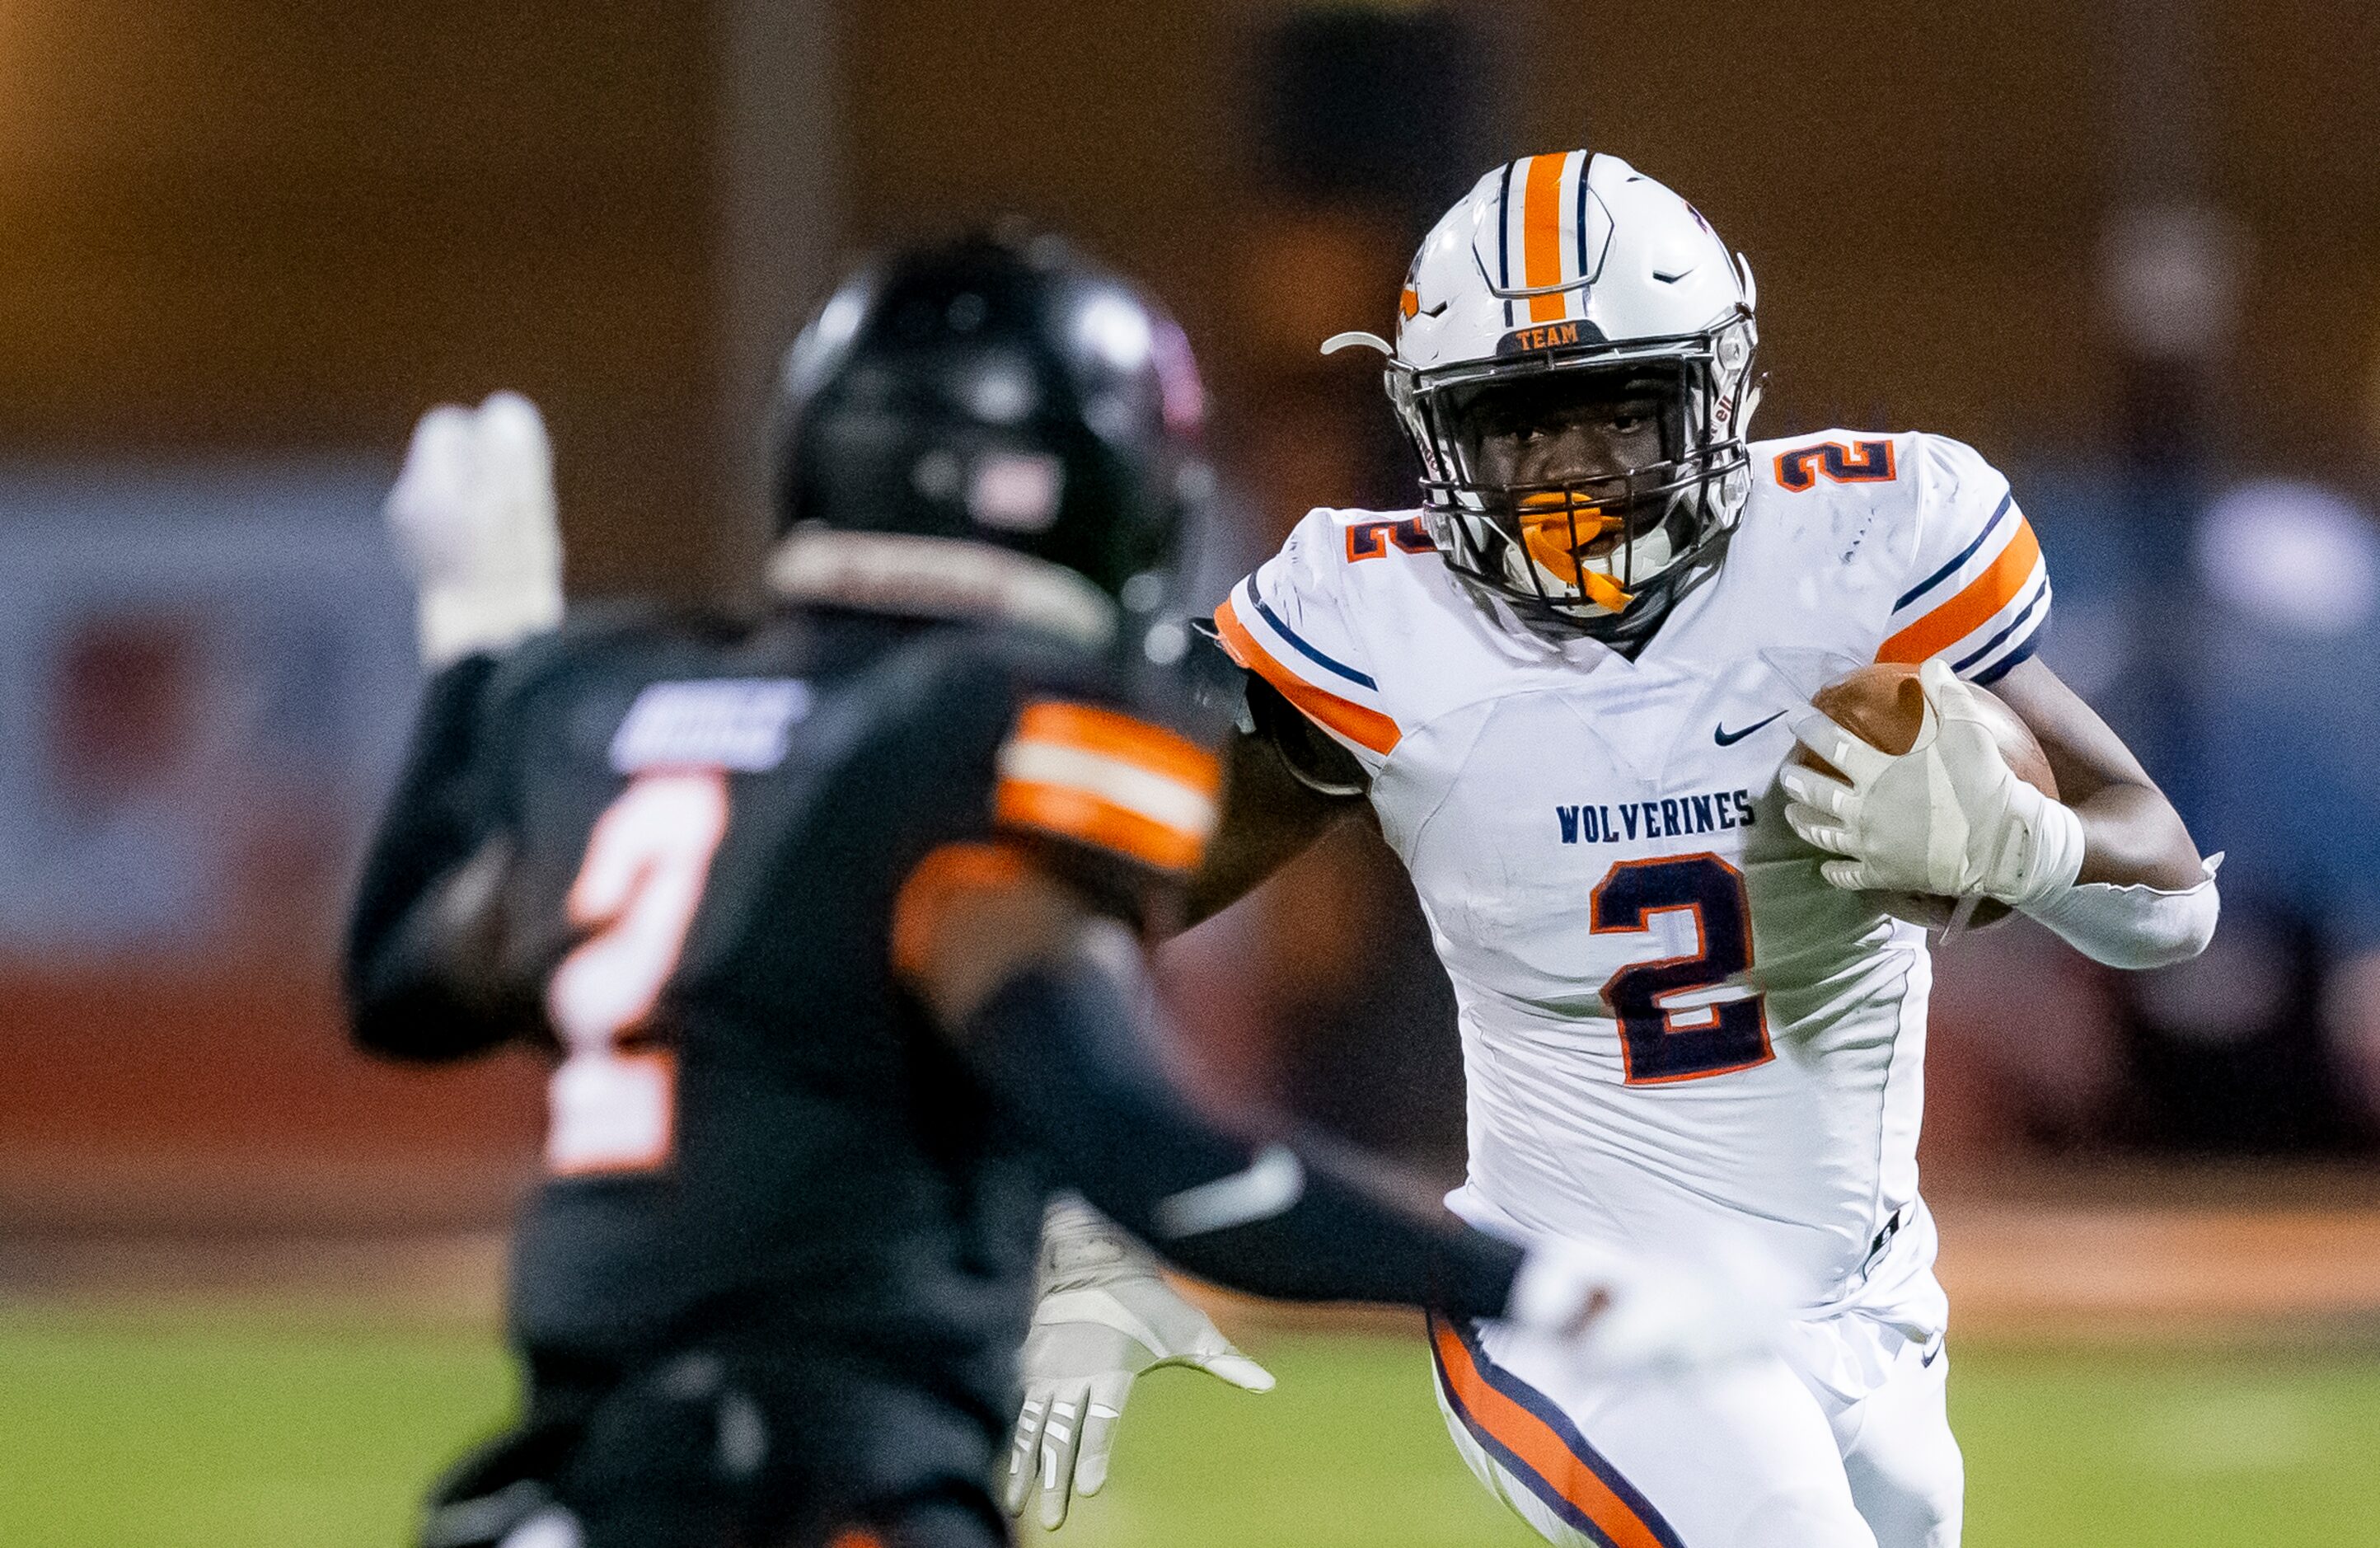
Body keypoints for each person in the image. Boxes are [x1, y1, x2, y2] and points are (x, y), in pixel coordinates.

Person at [344, 233, 1762, 1548]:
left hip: (560, 1491)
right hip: (823, 1483)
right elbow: (1152, 1157)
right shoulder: (985, 728)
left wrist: (476, 648)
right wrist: (1542, 1284)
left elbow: (402, 983)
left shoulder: (604, 698)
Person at [1007, 152, 2220, 1548]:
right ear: (1440, 436)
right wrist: (1070, 1170)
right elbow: (1081, 912)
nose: (1577, 472)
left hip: (1870, 1305)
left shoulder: (1863, 551)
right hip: (1569, 1303)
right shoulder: (1371, 624)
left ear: (1717, 390)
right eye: (1524, 428)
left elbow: (2173, 899)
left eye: (1621, 416)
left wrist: (2034, 846)